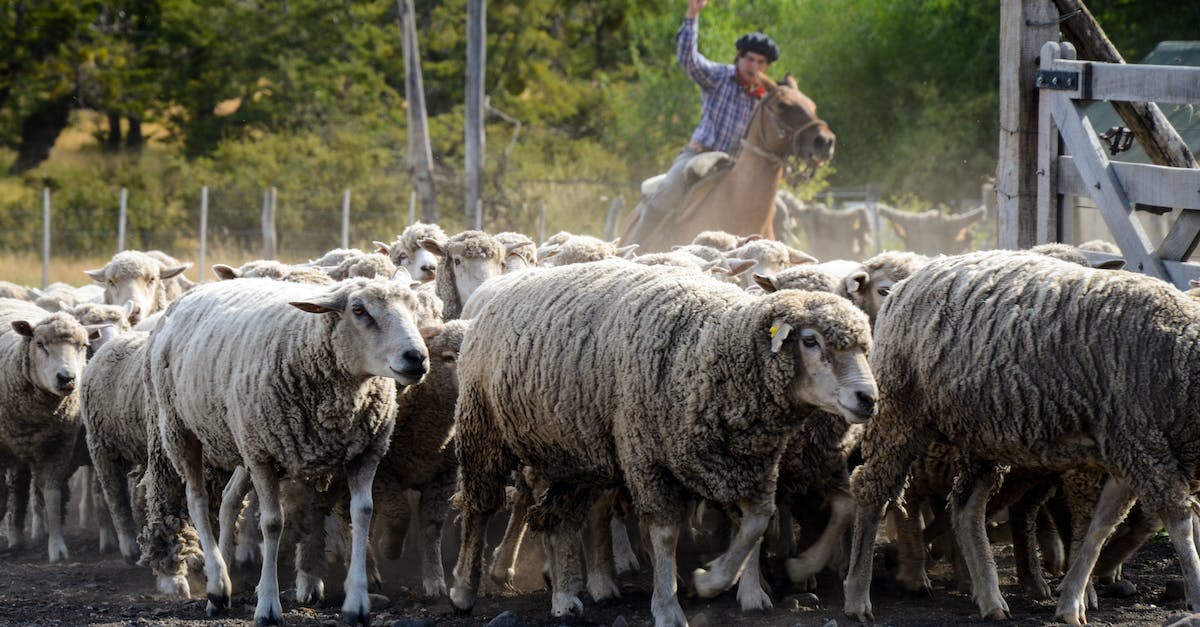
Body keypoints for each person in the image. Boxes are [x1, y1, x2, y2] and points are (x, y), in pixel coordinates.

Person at [643, 0, 780, 218]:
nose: (754, 67)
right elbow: (689, 60)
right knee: (668, 190)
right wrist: (692, 15)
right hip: (699, 155)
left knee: (779, 210)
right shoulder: (719, 77)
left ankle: (784, 251)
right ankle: (638, 245)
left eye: (760, 62)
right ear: (739, 57)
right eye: (750, 59)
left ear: (766, 66)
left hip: (738, 168)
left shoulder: (768, 100)